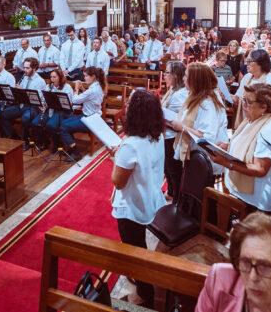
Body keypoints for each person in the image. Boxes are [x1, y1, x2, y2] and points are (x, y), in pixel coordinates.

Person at [111, 89, 166, 308]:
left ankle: (145, 293)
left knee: (134, 247)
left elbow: (118, 182)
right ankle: (139, 277)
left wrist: (117, 158)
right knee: (139, 243)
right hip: (151, 196)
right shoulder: (158, 135)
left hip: (132, 205)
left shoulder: (130, 144)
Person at [211, 84, 271, 214]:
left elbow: (260, 169)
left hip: (258, 198)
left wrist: (226, 163)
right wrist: (229, 146)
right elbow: (247, 145)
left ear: (264, 107)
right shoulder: (254, 118)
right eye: (243, 99)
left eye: (248, 102)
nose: (243, 105)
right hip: (245, 193)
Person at [170, 63, 226, 164]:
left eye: (186, 76)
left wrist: (182, 127)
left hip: (203, 159)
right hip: (195, 156)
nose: (183, 78)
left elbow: (207, 137)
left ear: (196, 80)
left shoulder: (208, 104)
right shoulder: (197, 96)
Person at [58, 67, 106, 159]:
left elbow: (75, 100)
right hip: (92, 116)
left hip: (90, 120)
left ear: (94, 77)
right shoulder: (97, 86)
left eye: (86, 76)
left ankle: (76, 153)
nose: (84, 78)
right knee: (64, 122)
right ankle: (71, 147)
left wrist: (76, 89)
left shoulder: (93, 90)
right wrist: (82, 88)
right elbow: (89, 97)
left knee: (64, 126)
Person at [1, 57, 47, 147]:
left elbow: (35, 99)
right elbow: (20, 94)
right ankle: (14, 136)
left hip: (33, 107)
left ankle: (26, 140)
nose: (25, 70)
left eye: (27, 68)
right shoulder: (24, 77)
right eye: (24, 67)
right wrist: (15, 91)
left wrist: (22, 90)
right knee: (3, 114)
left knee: (25, 118)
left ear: (34, 68)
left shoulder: (40, 81)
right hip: (22, 104)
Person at [161, 61, 189, 198]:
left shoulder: (180, 94)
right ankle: (171, 191)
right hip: (166, 134)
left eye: (167, 73)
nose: (164, 75)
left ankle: (176, 196)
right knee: (167, 166)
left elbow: (179, 119)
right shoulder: (173, 89)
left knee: (173, 168)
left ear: (176, 76)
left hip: (173, 136)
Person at [234, 50, 271, 125]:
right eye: (246, 60)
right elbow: (238, 98)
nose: (246, 64)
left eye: (250, 61)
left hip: (263, 123)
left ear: (261, 63)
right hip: (246, 121)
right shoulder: (247, 77)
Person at [31, 69, 74, 151]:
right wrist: (42, 105)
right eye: (51, 77)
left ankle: (57, 144)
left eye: (54, 77)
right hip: (50, 110)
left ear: (60, 77)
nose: (52, 79)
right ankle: (44, 142)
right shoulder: (48, 86)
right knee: (35, 123)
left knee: (51, 125)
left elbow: (69, 103)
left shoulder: (67, 88)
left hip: (62, 112)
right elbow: (43, 99)